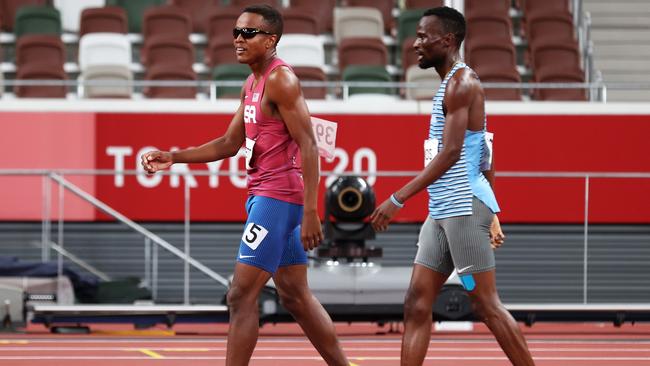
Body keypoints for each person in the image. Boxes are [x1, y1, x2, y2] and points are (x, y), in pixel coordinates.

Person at [141, 5, 349, 366]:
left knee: (240, 295)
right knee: (296, 296)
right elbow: (228, 144)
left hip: (278, 198)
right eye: (236, 32)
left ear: (271, 40)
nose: (238, 39)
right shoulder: (251, 83)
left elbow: (309, 145)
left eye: (248, 33)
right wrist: (173, 156)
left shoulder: (281, 80)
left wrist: (314, 211)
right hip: (263, 195)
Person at [370, 7, 536, 366]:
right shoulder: (448, 86)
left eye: (422, 37)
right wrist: (494, 211)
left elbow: (449, 155)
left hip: (462, 208)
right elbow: (486, 151)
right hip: (443, 210)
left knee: (485, 304)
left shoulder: (463, 83)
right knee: (416, 301)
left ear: (446, 40)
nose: (415, 44)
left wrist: (398, 198)